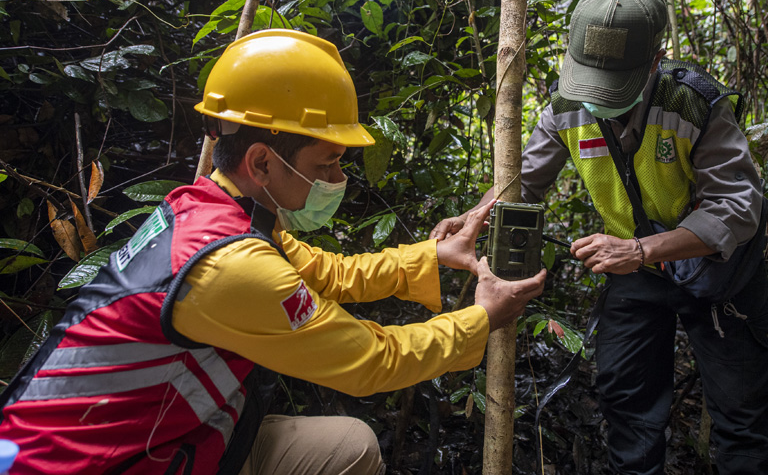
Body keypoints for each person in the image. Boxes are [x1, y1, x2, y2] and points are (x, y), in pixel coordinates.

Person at [0, 29, 547, 474]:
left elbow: (326, 273)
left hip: (155, 439)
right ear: (261, 162)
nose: (337, 179)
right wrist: (483, 318)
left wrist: (431, 255)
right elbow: (373, 361)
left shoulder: (213, 210)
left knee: (349, 447)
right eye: (326, 164)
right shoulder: (230, 266)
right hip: (90, 465)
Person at [431, 0, 768, 474]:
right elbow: (522, 182)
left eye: (614, 84)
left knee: (743, 418)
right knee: (626, 400)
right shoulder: (565, 107)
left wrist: (640, 251)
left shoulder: (695, 105)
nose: (596, 97)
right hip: (635, 269)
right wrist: (474, 217)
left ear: (656, 62)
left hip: (715, 268)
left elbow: (737, 208)